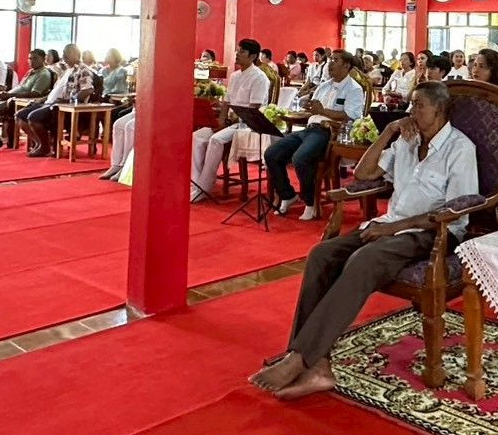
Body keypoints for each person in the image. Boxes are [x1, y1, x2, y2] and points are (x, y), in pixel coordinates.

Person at [252, 80, 478, 400]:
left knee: (363, 260)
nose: (410, 111)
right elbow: (363, 173)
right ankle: (318, 365)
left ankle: (301, 358)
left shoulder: (460, 148)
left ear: (439, 110)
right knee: (322, 254)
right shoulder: (408, 141)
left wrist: (391, 229)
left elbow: (455, 211)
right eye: (411, 105)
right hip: (389, 224)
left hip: (430, 233)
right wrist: (389, 133)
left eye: (418, 106)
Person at [266, 49, 366, 221]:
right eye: (330, 60)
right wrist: (308, 105)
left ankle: (310, 202)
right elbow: (315, 108)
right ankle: (288, 194)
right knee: (272, 153)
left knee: (300, 158)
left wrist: (323, 111)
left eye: (335, 60)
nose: (330, 63)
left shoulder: (354, 89)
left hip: (328, 131)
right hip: (309, 127)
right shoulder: (324, 85)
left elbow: (353, 116)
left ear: (347, 65)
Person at [192, 40, 271, 199]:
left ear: (253, 56)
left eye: (242, 51)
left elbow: (254, 108)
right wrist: (221, 121)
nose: (237, 54)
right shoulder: (235, 76)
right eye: (238, 50)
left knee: (216, 140)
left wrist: (231, 121)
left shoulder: (260, 78)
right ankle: (195, 182)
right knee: (197, 137)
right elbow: (226, 103)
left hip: (247, 124)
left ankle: (204, 186)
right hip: (229, 122)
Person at [0, 49, 56, 149]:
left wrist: (10, 96)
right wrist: (6, 94)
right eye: (30, 58)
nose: (31, 61)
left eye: (35, 58)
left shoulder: (43, 74)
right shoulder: (30, 72)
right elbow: (20, 87)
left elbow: (34, 94)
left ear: (43, 59)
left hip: (16, 101)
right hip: (7, 96)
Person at [20, 44, 94, 157]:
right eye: (63, 53)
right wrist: (42, 99)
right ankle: (41, 144)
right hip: (50, 102)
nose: (64, 56)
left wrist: (70, 100)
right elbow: (55, 90)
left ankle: (44, 147)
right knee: (20, 116)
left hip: (64, 107)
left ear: (77, 55)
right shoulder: (66, 71)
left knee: (33, 117)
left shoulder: (83, 70)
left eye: (67, 53)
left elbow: (87, 90)